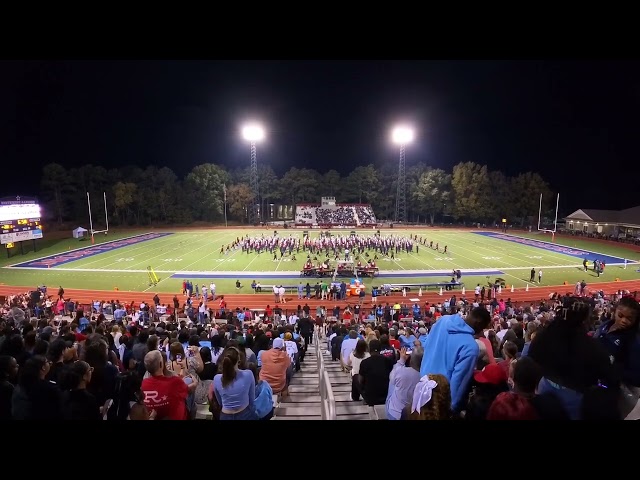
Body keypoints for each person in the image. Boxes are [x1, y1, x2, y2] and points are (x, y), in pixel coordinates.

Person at [420, 306, 491, 413]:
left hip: (421, 387)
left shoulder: (443, 320)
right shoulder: (471, 347)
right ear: (478, 323)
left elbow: (427, 347)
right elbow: (459, 381)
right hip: (440, 400)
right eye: (482, 328)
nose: (480, 332)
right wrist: (450, 410)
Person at [212, 347, 257, 420]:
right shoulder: (248, 374)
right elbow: (252, 399)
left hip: (225, 416)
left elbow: (220, 402)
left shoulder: (216, 379)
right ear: (239, 360)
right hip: (244, 414)